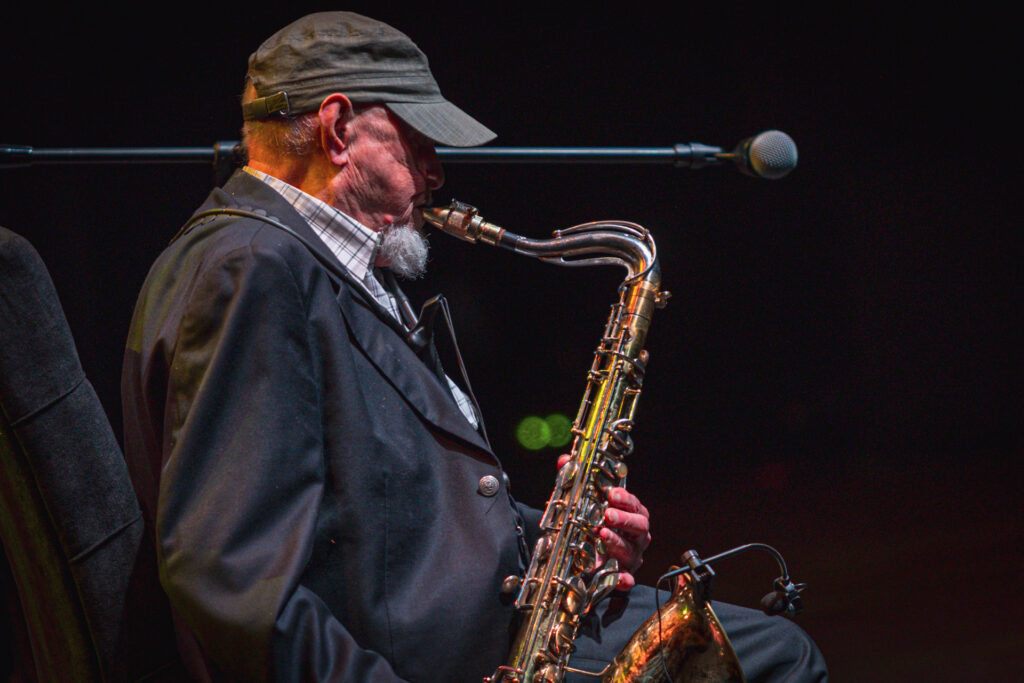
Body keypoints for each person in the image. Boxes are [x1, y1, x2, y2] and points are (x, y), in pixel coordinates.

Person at [121, 11, 827, 682]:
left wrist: (557, 541)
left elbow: (386, 507)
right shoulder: (252, 267)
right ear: (338, 130)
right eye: (418, 142)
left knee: (767, 648)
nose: (436, 172)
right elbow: (231, 577)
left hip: (490, 633)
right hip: (428, 662)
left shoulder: (325, 266)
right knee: (781, 661)